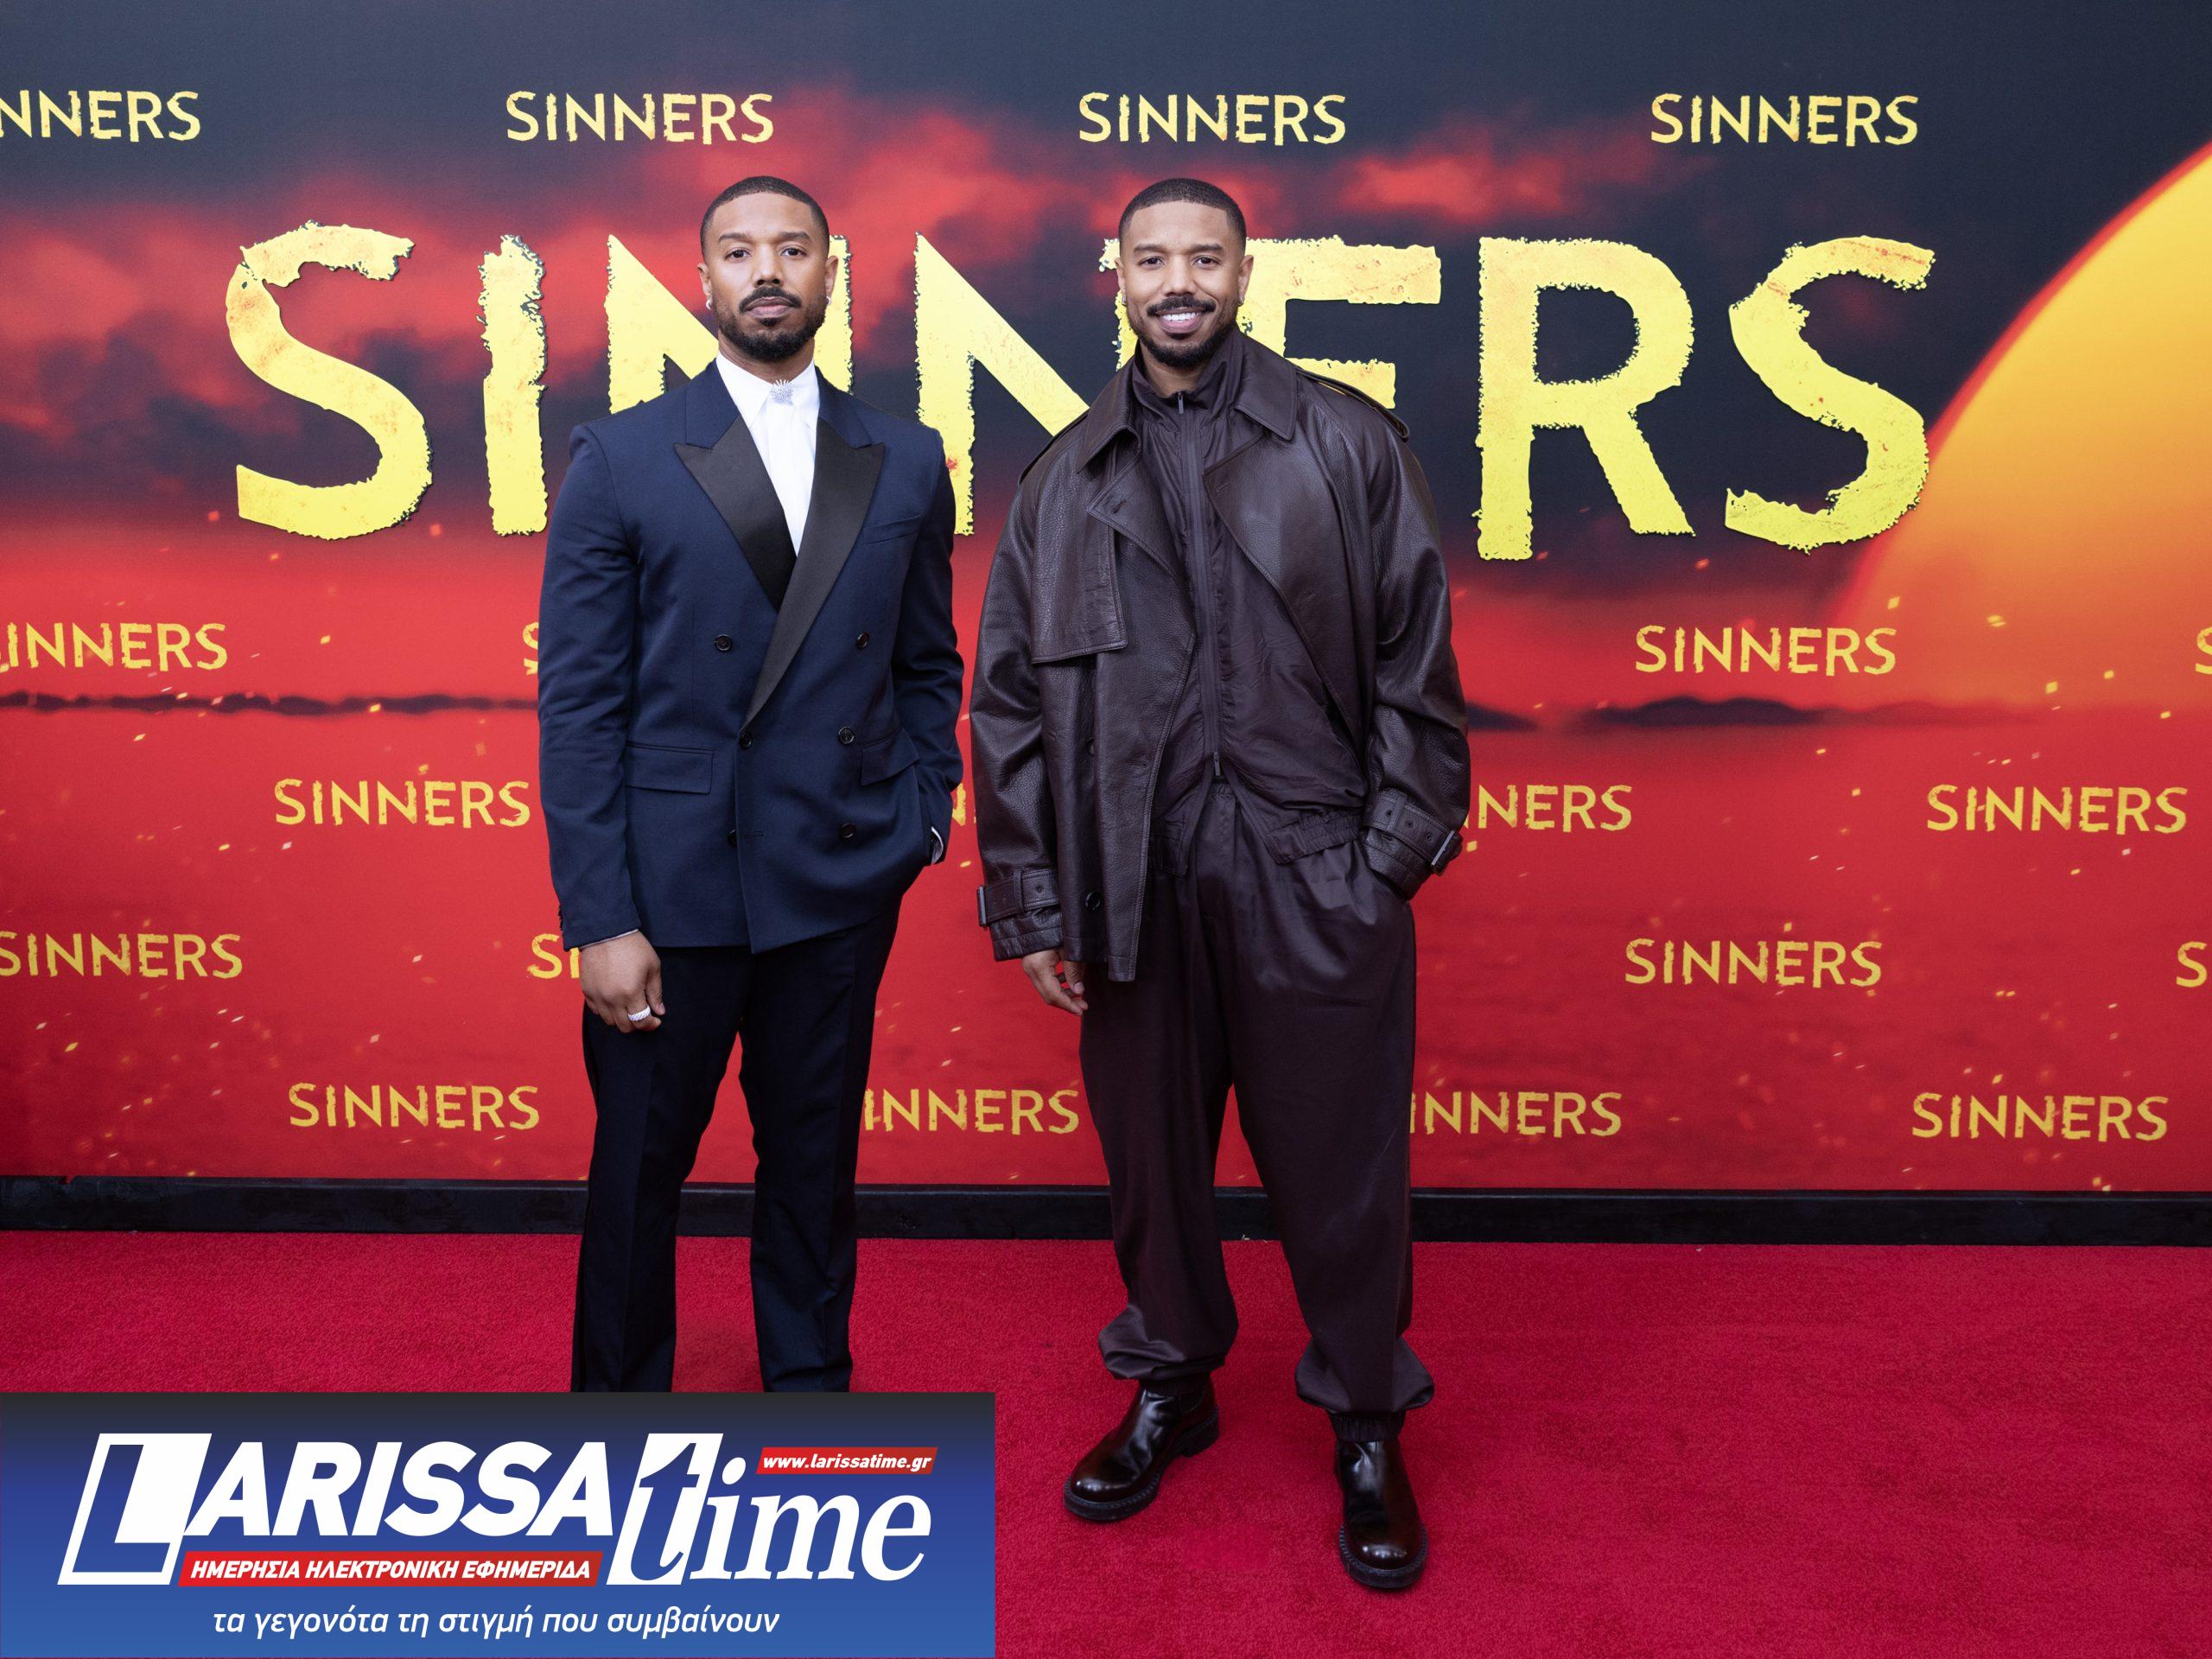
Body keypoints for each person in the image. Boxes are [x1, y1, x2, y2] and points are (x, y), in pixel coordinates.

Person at [968, 177, 1470, 1589]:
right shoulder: (1064, 479)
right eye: (1152, 259)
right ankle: (1171, 1384)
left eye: (1204, 258)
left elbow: (1418, 665)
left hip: (1317, 869)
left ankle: (1366, 1422)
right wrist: (1039, 901)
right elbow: (1007, 707)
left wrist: (1384, 864)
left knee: (1345, 1174)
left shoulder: (1344, 440)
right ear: (1117, 275)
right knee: (1153, 1170)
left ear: (1246, 274)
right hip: (1130, 883)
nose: (1177, 281)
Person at [537, 175, 962, 1395]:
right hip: (670, 893)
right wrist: (600, 917)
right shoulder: (620, 456)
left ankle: (812, 1403)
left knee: (816, 1166)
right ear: (704, 279)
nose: (766, 270)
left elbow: (928, 661)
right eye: (739, 251)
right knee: (638, 1171)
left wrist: (922, 812)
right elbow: (579, 706)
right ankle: (617, 1422)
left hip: (838, 875)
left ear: (832, 272)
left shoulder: (906, 456)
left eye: (792, 248)